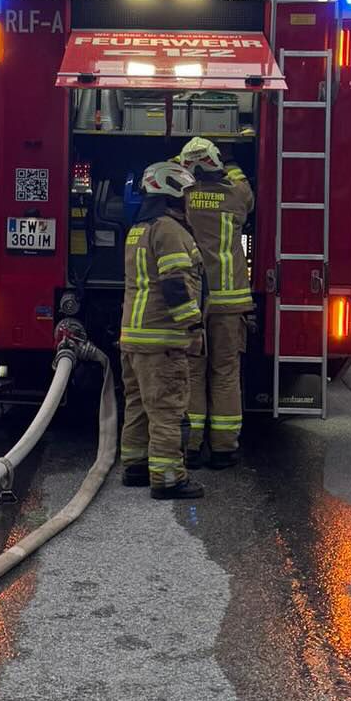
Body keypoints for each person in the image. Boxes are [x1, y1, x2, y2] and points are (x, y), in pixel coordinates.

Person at [119, 159, 206, 501]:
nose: (188, 200)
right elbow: (174, 284)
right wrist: (193, 324)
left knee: (138, 405)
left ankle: (136, 466)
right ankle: (168, 478)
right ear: (172, 192)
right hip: (163, 339)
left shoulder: (138, 229)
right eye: (185, 193)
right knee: (168, 410)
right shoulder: (169, 230)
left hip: (134, 338)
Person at [176, 136, 254, 469]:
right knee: (225, 374)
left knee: (192, 373)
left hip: (193, 302)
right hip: (229, 302)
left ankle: (191, 448)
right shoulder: (235, 195)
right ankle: (223, 449)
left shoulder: (183, 199)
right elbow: (248, 195)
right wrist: (232, 160)